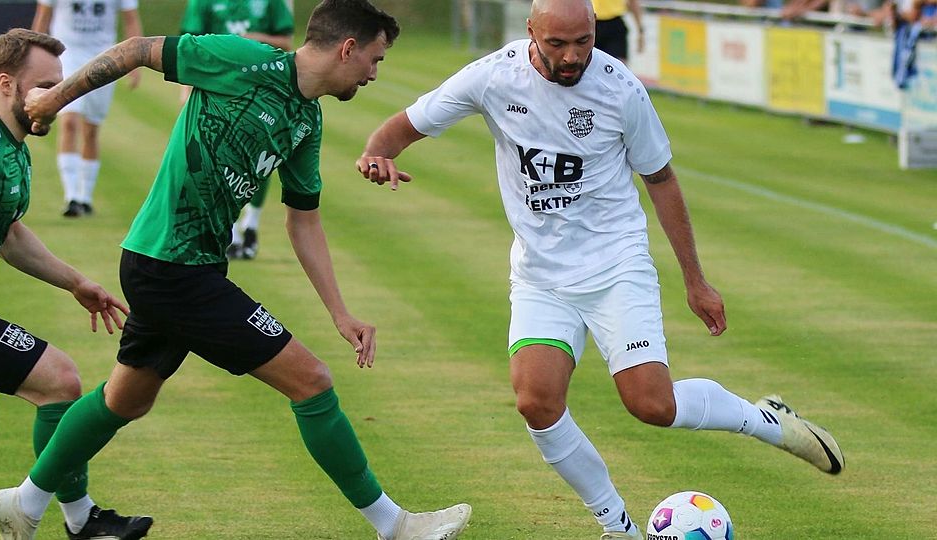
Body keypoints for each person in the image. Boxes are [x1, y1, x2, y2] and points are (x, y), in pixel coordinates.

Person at [0, 2, 472, 539]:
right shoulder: (243, 60)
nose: (375, 74)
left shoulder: (306, 119)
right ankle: (393, 525)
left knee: (125, 400)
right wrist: (55, 98)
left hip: (185, 266)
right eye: (374, 60)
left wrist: (340, 312)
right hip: (172, 267)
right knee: (311, 381)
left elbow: (302, 221)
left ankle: (24, 503)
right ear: (347, 48)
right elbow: (134, 51)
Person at [357, 1, 845, 538]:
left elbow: (661, 180)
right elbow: (403, 127)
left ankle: (765, 420)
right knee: (535, 402)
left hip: (617, 265)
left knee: (652, 405)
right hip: (541, 276)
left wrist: (696, 280)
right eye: (557, 44)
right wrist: (376, 154)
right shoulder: (492, 77)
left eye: (583, 42)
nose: (572, 57)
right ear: (531, 34)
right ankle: (618, 526)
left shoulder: (620, 89)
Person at [0, 28, 152, 540]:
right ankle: (83, 521)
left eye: (64, 85)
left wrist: (76, 282)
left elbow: (8, 234)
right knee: (59, 381)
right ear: (7, 84)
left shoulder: (12, 148)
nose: (61, 97)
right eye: (47, 86)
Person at [177, 0, 297, 260]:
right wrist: (185, 90)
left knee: (262, 158)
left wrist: (254, 38)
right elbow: (188, 44)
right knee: (217, 157)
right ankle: (228, 232)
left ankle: (251, 225)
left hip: (262, 89)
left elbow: (287, 43)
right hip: (217, 87)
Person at [31, 0, 143, 218]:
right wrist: (35, 60)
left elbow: (130, 19)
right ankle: (71, 197)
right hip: (66, 56)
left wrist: (135, 64)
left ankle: (85, 197)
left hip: (105, 58)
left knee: (91, 130)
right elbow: (43, 17)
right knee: (69, 122)